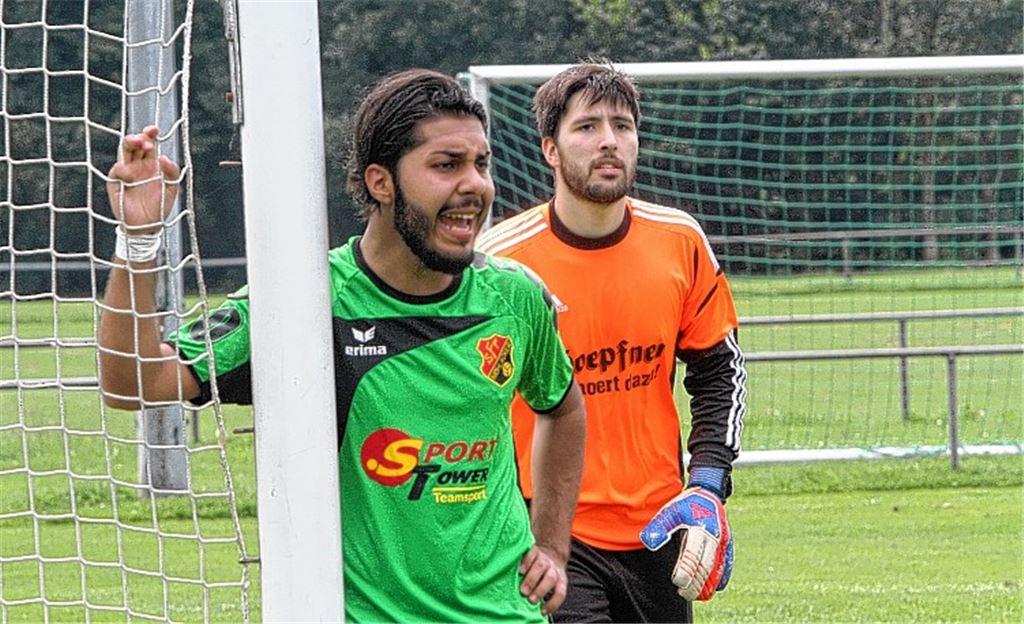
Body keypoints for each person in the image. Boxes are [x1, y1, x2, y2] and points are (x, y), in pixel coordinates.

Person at [97, 69, 586, 623]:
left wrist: (552, 545)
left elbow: (564, 408)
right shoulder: (304, 303)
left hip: (507, 613)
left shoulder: (514, 296)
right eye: (447, 165)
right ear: (381, 182)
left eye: (481, 164)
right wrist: (138, 241)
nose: (475, 184)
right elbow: (132, 382)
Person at [477, 61, 746, 623]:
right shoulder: (500, 263)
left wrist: (707, 486)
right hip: (547, 534)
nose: (609, 141)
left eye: (622, 126)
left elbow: (719, 372)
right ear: (550, 149)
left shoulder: (680, 241)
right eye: (587, 126)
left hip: (660, 529)